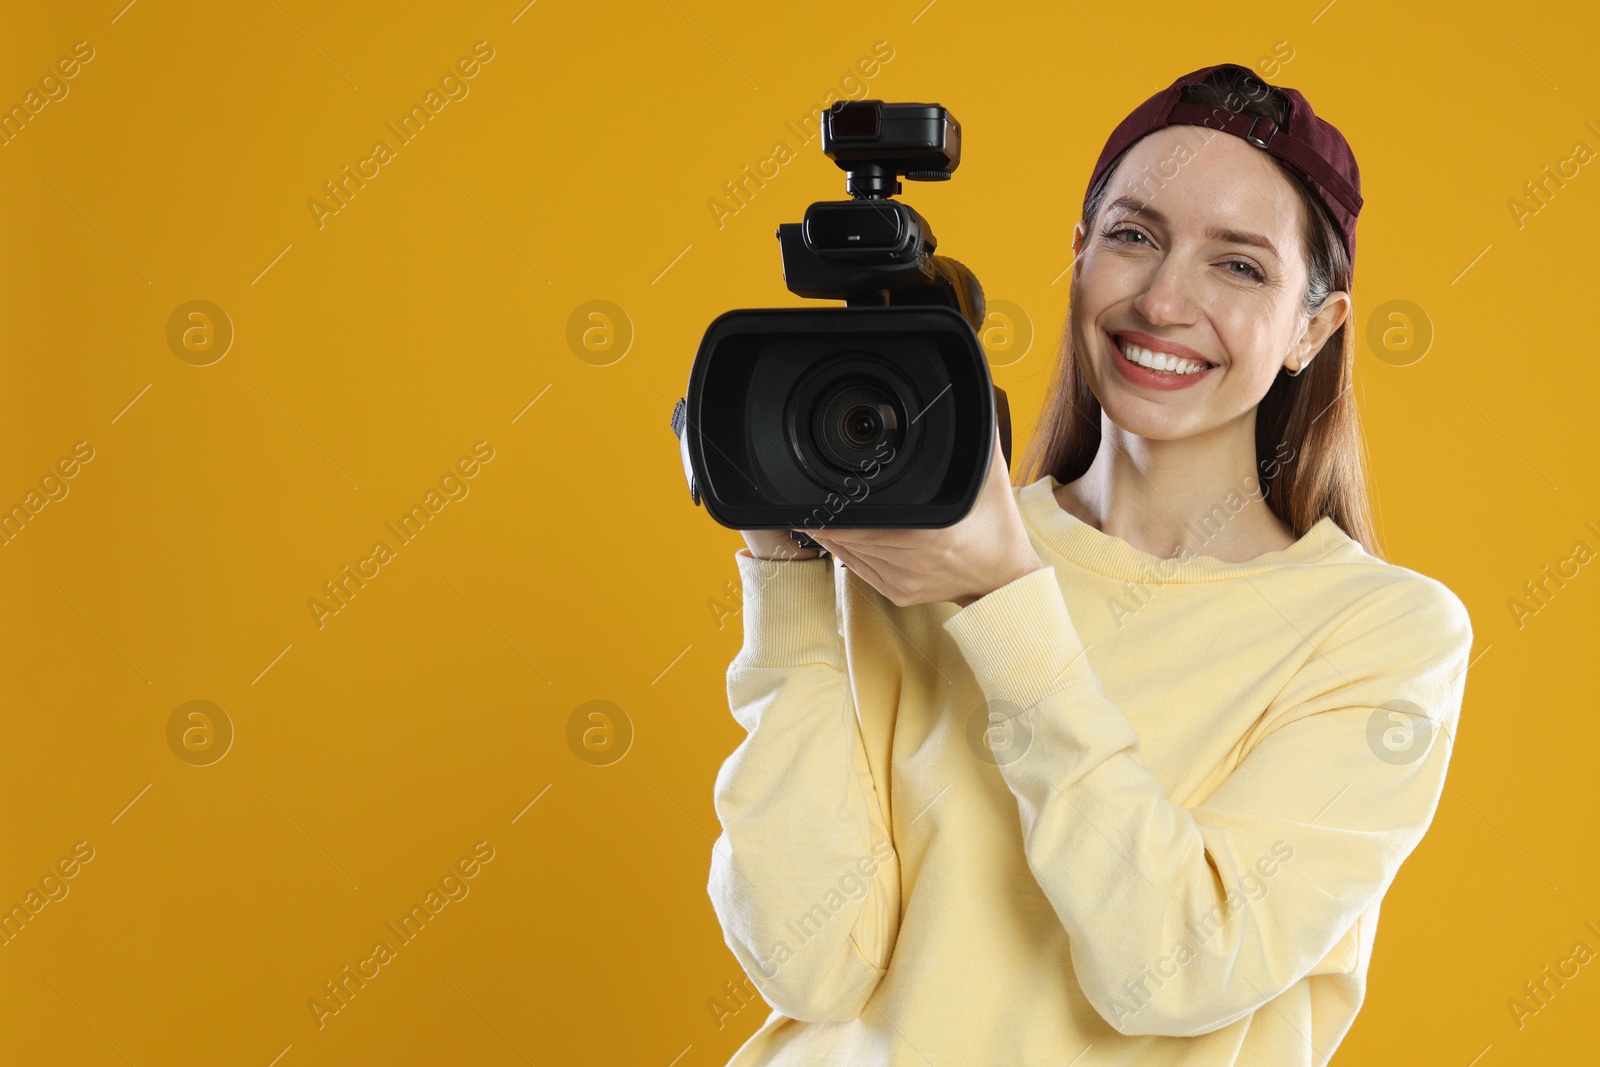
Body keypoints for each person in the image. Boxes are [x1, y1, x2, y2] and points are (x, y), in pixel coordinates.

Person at [706, 62, 1474, 1066]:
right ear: (1077, 256)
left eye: (1237, 265)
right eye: (1133, 236)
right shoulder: (921, 543)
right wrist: (789, 575)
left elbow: (1173, 963)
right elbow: (810, 964)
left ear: (1311, 328)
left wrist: (1003, 594)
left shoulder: (1383, 634)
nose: (1161, 299)